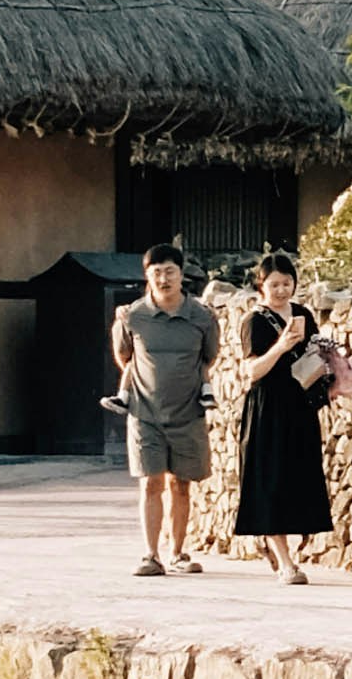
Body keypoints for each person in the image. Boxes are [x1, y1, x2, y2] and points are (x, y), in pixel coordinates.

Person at [109, 242, 219, 577]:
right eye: (156, 272)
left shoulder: (202, 317)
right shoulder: (133, 316)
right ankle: (150, 554)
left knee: (181, 484)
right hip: (145, 414)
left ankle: (178, 552)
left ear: (182, 274)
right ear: (147, 276)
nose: (163, 278)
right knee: (150, 482)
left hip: (187, 415)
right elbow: (123, 356)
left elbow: (210, 356)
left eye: (170, 271)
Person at [227, 252, 335, 579]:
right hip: (268, 409)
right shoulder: (255, 321)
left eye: (286, 283)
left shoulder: (303, 314)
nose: (281, 290)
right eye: (274, 284)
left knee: (300, 479)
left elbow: (315, 356)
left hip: (300, 407)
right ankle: (285, 563)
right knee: (269, 482)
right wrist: (281, 346)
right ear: (261, 286)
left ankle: (281, 550)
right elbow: (252, 370)